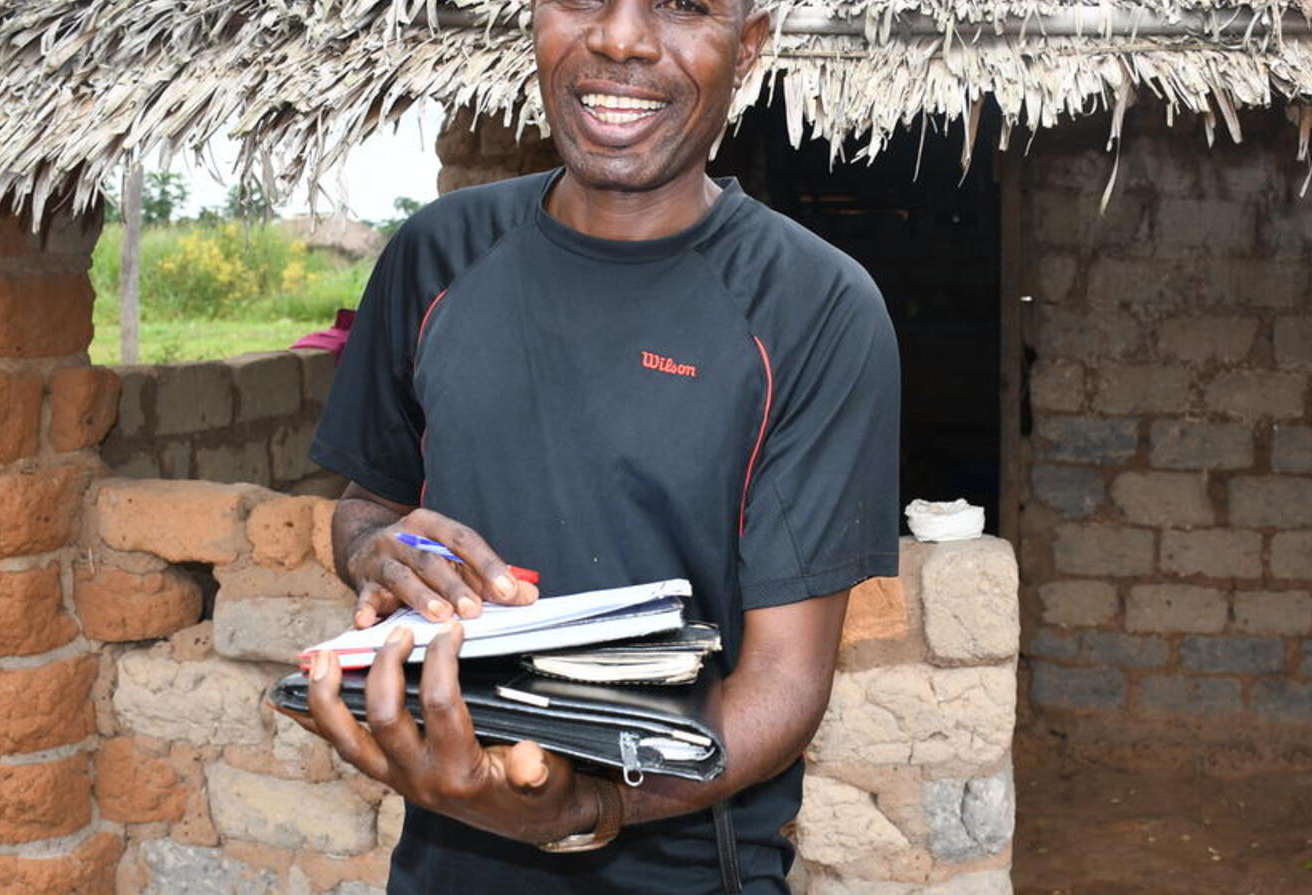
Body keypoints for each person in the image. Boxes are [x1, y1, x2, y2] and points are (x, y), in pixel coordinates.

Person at [276, 0, 901, 888]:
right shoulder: (436, 255)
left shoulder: (815, 307)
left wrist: (585, 808)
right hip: (445, 862)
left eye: (684, 6)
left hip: (688, 868)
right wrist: (380, 552)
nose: (620, 37)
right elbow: (368, 505)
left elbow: (784, 686)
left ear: (747, 46)